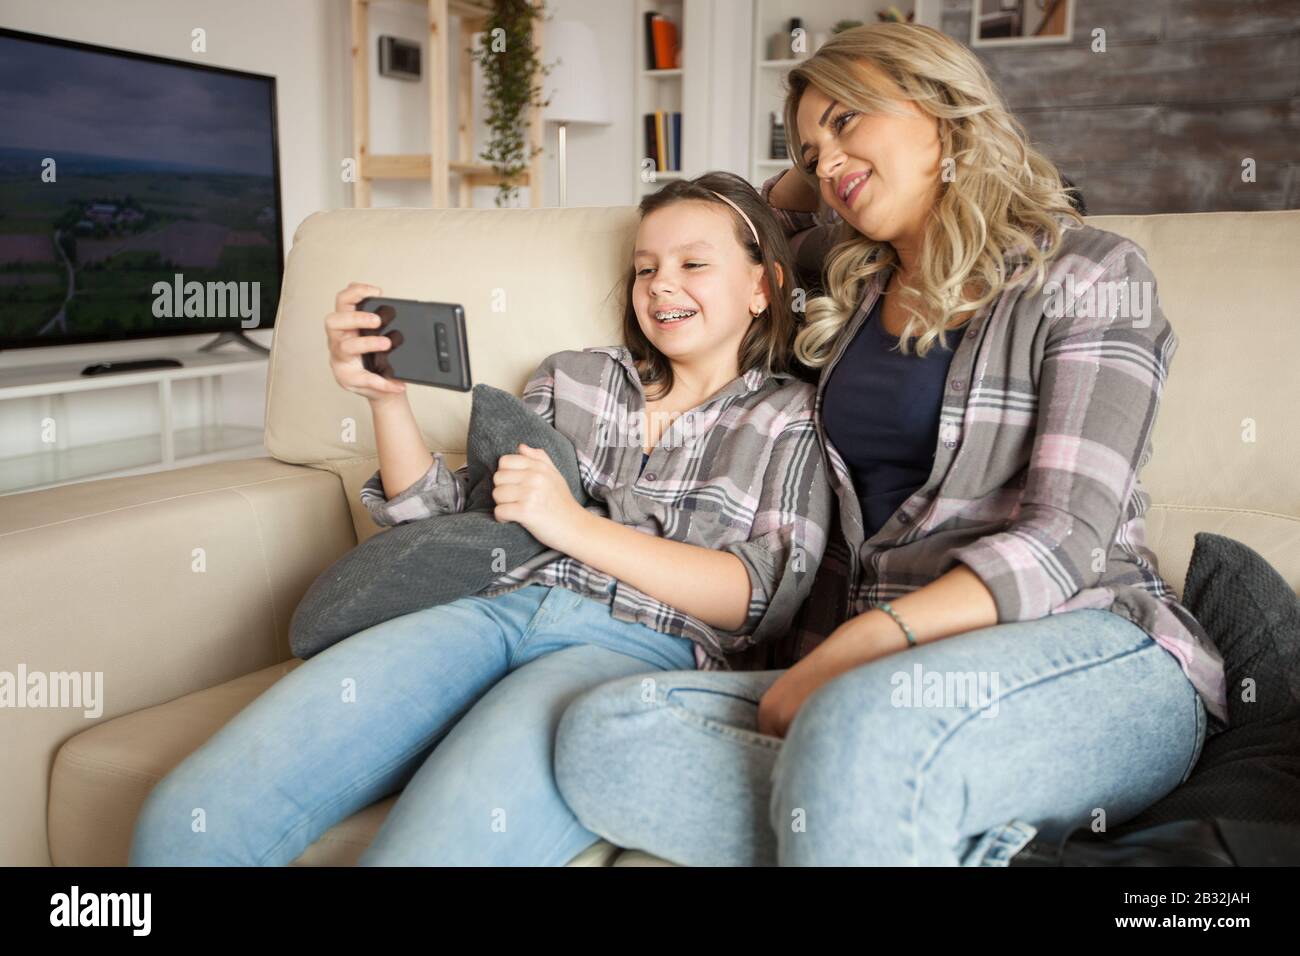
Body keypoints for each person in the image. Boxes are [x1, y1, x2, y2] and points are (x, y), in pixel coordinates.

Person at [553, 23, 1228, 867]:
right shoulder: (841, 276)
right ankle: (942, 834)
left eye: (847, 120)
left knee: (853, 735)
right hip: (880, 685)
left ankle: (871, 791)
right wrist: (821, 162)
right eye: (807, 143)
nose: (826, 161)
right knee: (604, 733)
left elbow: (1065, 540)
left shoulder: (1089, 274)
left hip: (1087, 644)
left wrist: (862, 644)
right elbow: (751, 224)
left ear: (944, 107)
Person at [127, 171, 833, 866]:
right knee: (187, 820)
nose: (660, 285)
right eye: (644, 267)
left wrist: (574, 524)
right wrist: (386, 399)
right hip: (488, 609)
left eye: (693, 264)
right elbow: (438, 516)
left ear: (762, 285)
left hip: (634, 650)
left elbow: (759, 599)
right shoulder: (574, 376)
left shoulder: (791, 417)